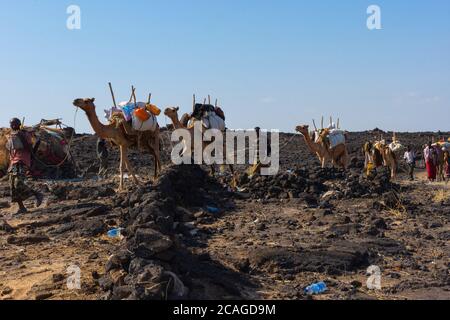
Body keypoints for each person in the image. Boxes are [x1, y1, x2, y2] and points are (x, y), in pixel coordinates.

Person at [6, 118, 43, 214]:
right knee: (12, 186)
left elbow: (30, 147)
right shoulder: (11, 135)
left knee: (18, 183)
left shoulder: (24, 134)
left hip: (22, 160)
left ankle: (37, 194)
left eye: (14, 124)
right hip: (13, 162)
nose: (12, 126)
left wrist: (31, 159)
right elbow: (10, 149)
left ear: (18, 124)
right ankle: (22, 207)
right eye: (11, 124)